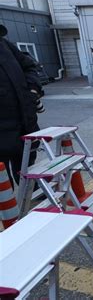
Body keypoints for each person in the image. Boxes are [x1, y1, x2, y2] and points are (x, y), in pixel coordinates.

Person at [0, 24, 43, 187]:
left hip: (24, 122)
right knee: (3, 186)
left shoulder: (5, 45)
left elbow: (30, 66)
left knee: (27, 166)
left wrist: (32, 90)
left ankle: (31, 193)